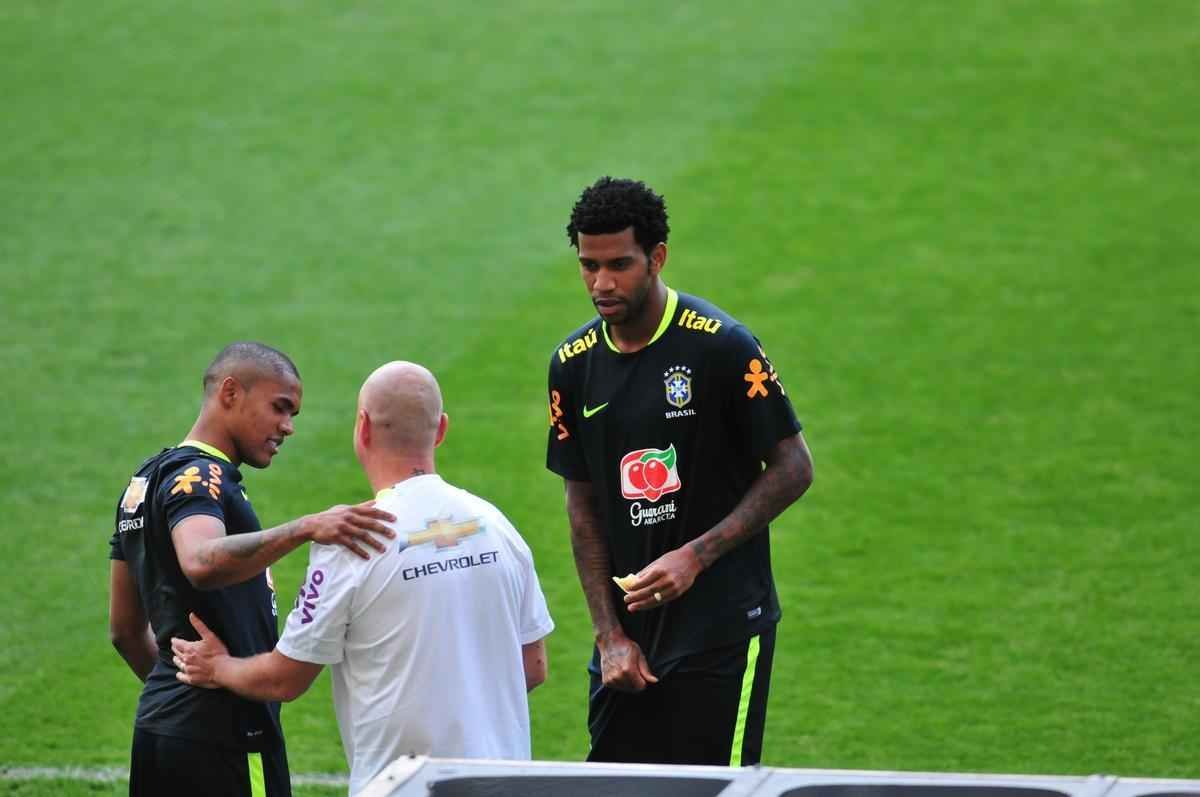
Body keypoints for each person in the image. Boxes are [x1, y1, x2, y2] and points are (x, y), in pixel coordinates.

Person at [172, 361, 555, 795]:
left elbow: (284, 680)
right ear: (441, 429)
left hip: (402, 788)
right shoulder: (497, 525)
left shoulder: (350, 540)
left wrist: (219, 667)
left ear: (363, 427)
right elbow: (533, 666)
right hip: (504, 786)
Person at [545, 176, 814, 766]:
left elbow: (794, 467)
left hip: (721, 628)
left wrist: (697, 554)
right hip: (626, 645)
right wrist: (608, 635)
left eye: (619, 264)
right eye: (589, 266)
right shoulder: (572, 366)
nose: (601, 283)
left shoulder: (721, 346)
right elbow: (581, 506)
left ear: (657, 257)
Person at [108, 341, 397, 797]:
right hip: (227, 736)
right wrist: (305, 528)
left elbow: (124, 630)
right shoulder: (201, 477)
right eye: (280, 408)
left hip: (161, 730)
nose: (288, 427)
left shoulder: (143, 481)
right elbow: (200, 560)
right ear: (230, 393)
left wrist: (180, 703)